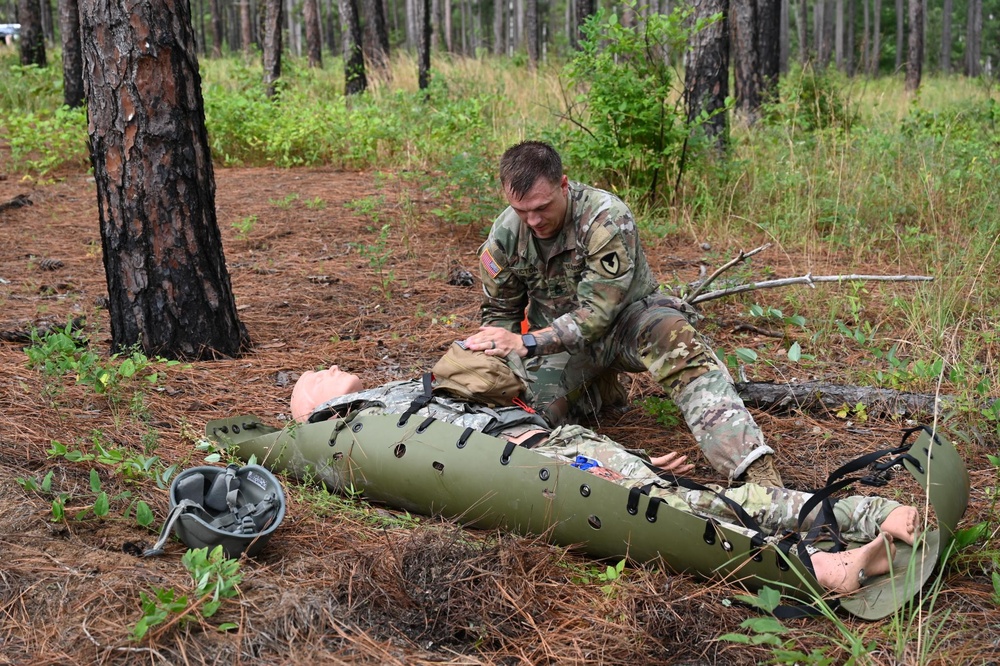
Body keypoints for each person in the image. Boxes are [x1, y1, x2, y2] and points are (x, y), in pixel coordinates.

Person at [291, 366, 920, 595]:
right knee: (677, 511)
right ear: (312, 408)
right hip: (539, 463)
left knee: (692, 497)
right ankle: (826, 568)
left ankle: (867, 513)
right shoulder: (351, 425)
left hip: (559, 443)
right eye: (317, 375)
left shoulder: (403, 390)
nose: (329, 367)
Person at [467, 140, 782, 488]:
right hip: (559, 350)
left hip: (629, 326)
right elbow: (499, 311)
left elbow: (597, 314)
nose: (534, 220)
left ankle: (753, 468)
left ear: (563, 184)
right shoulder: (505, 235)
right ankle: (602, 409)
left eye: (542, 207)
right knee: (524, 417)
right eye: (521, 210)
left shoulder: (604, 217)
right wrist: (502, 368)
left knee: (675, 339)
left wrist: (526, 342)